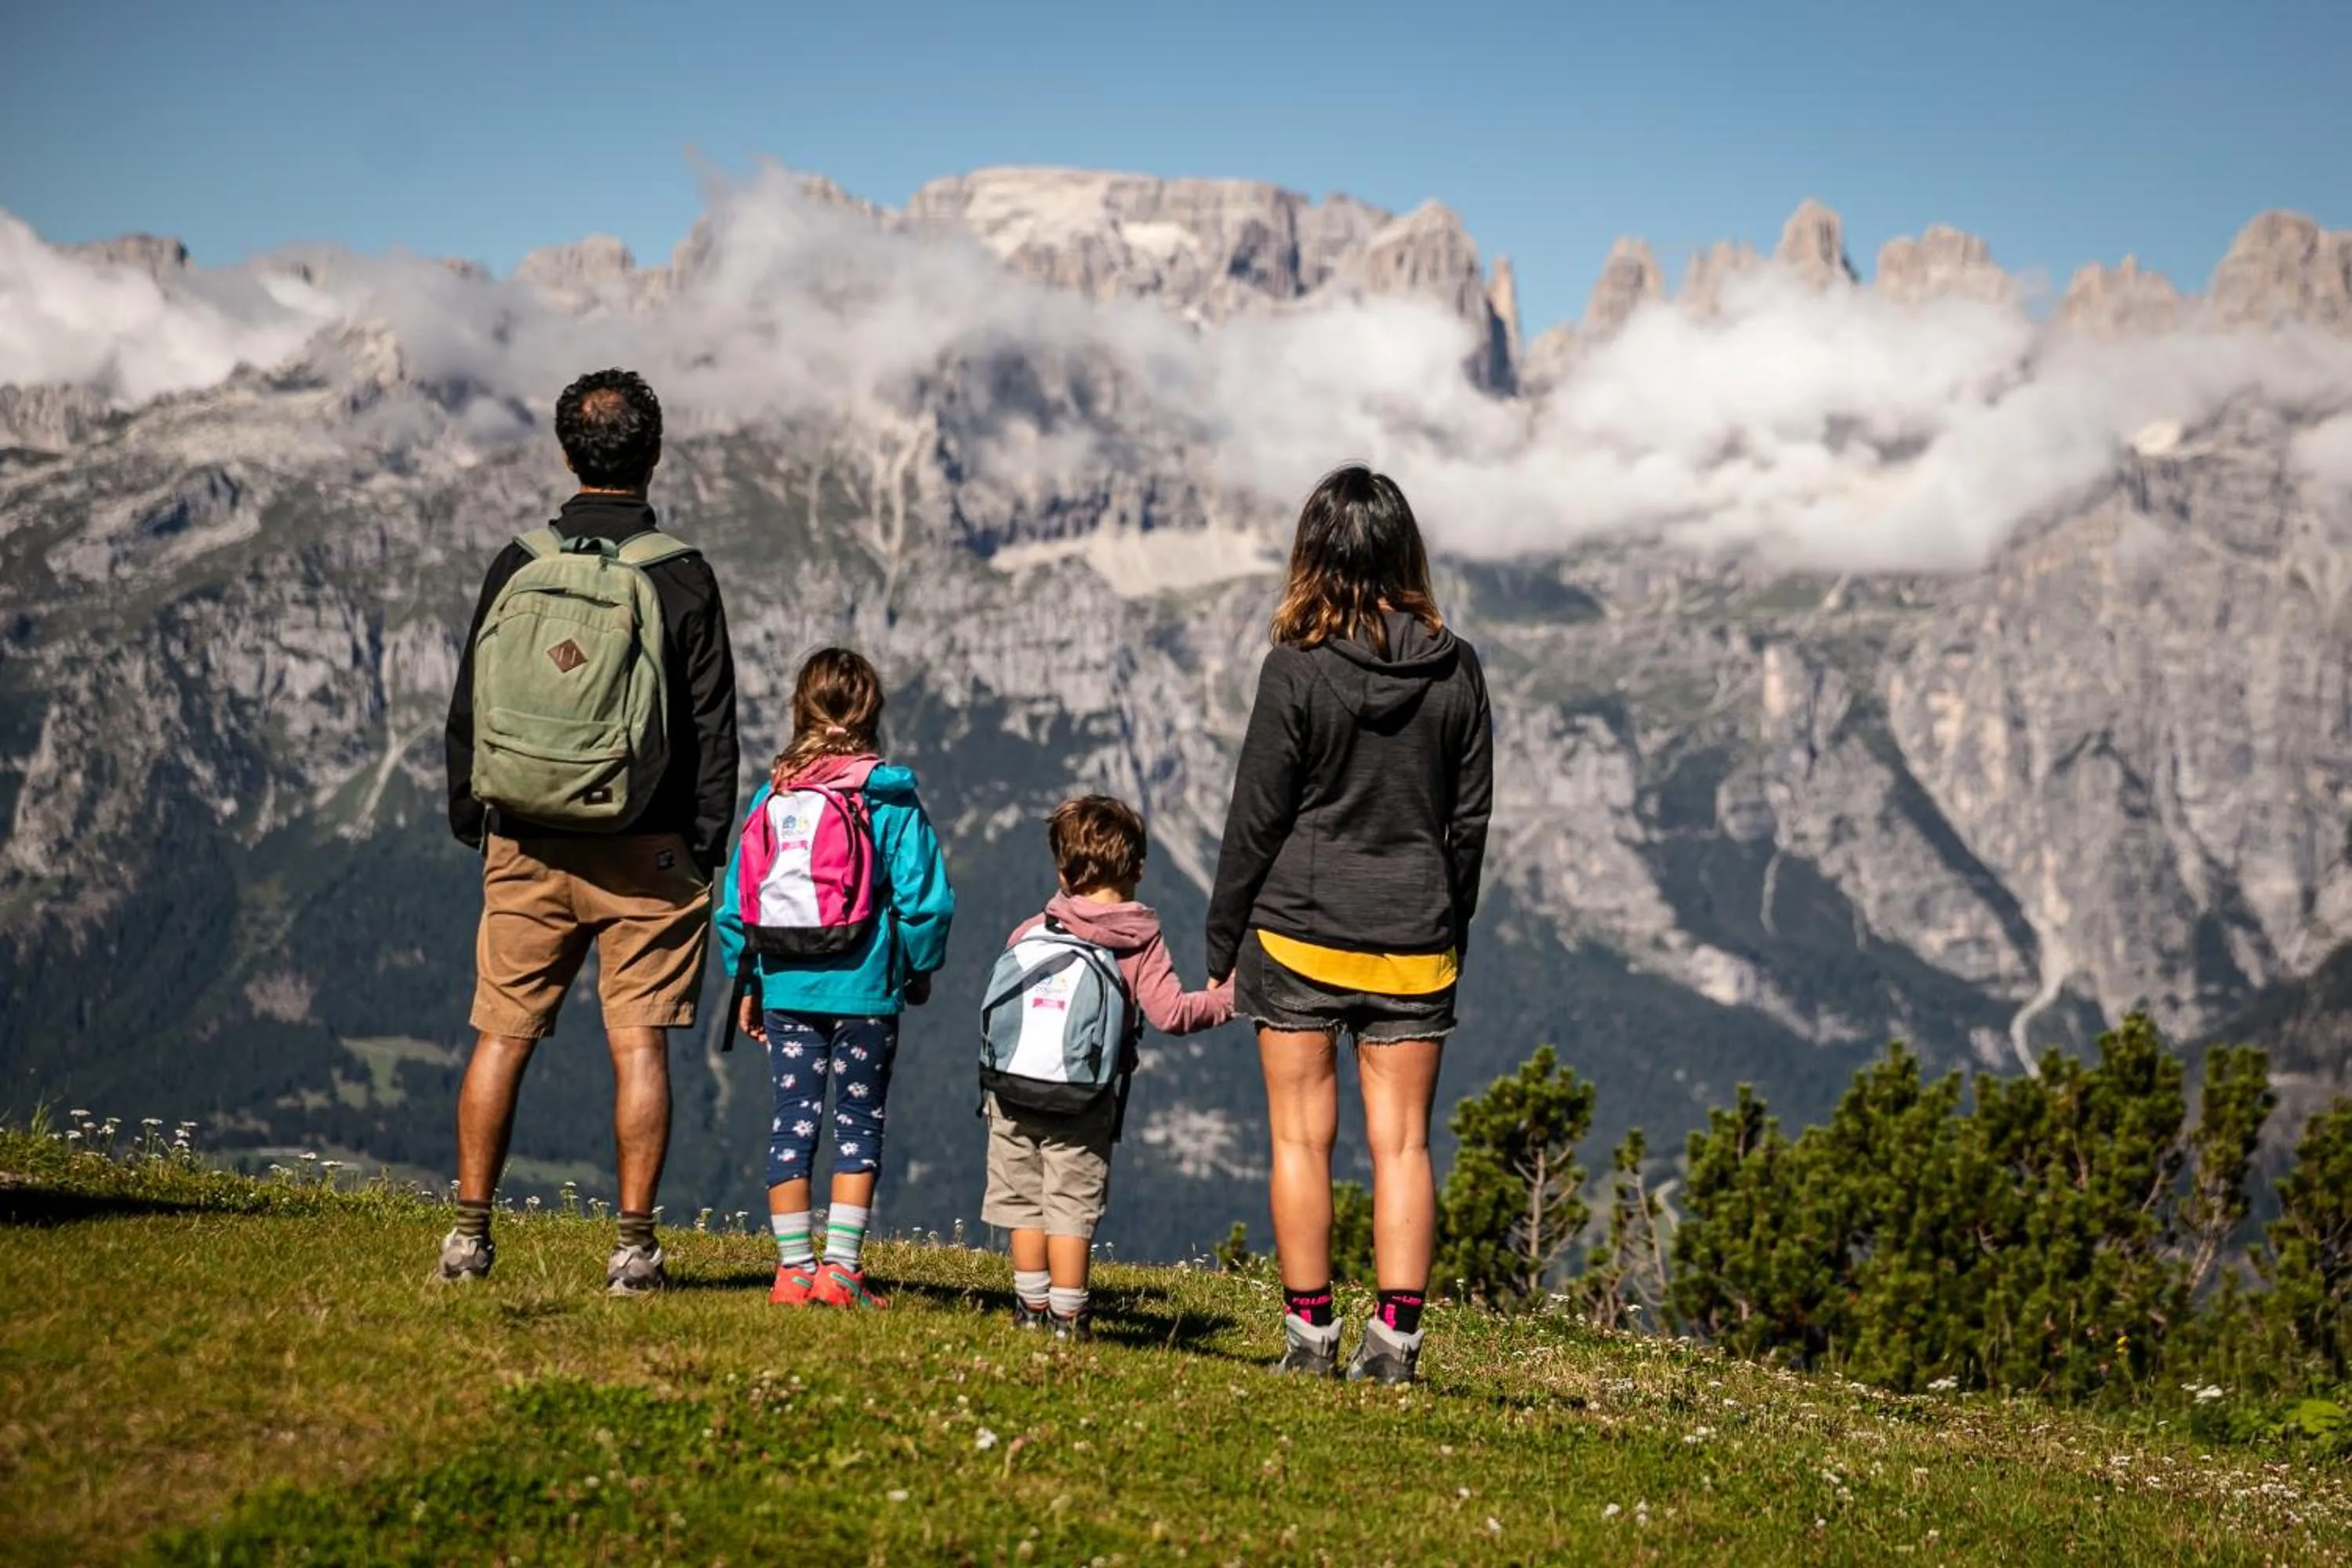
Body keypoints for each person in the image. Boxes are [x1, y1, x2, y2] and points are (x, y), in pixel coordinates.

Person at [440, 368, 739, 1294]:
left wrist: (475, 815)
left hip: (525, 835)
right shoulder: (680, 572)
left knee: (501, 1033)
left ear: (567, 454)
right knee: (638, 1042)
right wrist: (704, 844)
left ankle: (467, 1235)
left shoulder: (518, 561)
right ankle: (633, 1248)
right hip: (646, 852)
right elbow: (713, 726)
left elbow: (470, 703)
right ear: (652, 456)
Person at [1205, 465, 1494, 1384]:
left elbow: (1258, 816)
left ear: (1314, 553)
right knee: (1402, 1141)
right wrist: (1449, 921)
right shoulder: (1458, 669)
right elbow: (1469, 821)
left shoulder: (1296, 666)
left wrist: (1223, 942)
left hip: (1296, 932)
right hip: (1416, 936)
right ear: (1405, 550)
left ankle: (1310, 1338)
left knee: (1300, 1137)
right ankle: (1397, 1347)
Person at [718, 648, 954, 1310]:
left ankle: (793, 1271)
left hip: (787, 984)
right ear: (872, 713)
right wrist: (916, 969)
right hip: (866, 988)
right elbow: (926, 901)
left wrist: (752, 981)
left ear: (800, 710)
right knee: (858, 1120)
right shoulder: (887, 797)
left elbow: (736, 905)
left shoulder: (773, 796)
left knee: (792, 1119)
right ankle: (841, 1271)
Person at [983, 796, 1232, 1338]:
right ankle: (1068, 1318)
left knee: (1023, 1198)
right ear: (1138, 868)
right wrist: (1228, 998)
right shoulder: (1138, 940)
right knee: (1070, 1205)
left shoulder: (1033, 928)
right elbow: (1170, 1014)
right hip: (1083, 1096)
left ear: (1063, 872)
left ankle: (1029, 1309)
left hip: (1011, 1089)